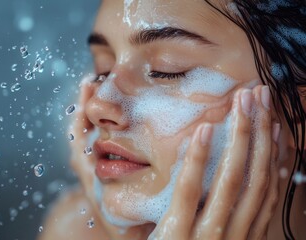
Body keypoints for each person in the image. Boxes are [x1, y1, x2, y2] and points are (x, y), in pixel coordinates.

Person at [39, 0, 306, 239]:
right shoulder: (75, 229)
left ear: (298, 113)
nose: (98, 105)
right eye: (103, 69)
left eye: (166, 70)